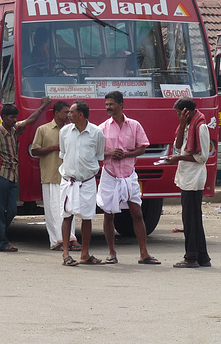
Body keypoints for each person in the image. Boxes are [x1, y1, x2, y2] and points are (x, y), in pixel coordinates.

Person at [0, 96, 51, 252]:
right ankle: (1, 243)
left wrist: (42, 107)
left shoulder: (15, 129)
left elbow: (29, 121)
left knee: (12, 210)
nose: (14, 120)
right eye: (11, 117)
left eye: (15, 117)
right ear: (4, 117)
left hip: (12, 175)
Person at [97, 91, 160, 265]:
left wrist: (126, 155)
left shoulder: (134, 125)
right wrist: (110, 153)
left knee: (137, 213)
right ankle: (111, 253)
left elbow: (142, 148)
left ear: (121, 105)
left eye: (111, 104)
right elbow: (95, 152)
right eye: (106, 104)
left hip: (129, 175)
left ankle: (144, 254)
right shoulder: (102, 128)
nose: (108, 107)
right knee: (108, 215)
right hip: (109, 175)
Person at [163, 97, 211, 268]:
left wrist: (178, 158)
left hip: (194, 178)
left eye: (179, 113)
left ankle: (191, 256)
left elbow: (202, 157)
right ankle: (202, 256)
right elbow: (177, 146)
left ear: (187, 112)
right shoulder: (186, 126)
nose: (178, 116)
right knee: (193, 218)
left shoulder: (201, 127)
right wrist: (182, 125)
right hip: (186, 177)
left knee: (191, 219)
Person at [59, 100, 106, 266]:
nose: (68, 115)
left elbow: (99, 156)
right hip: (68, 180)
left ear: (81, 115)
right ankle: (65, 254)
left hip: (87, 182)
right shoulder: (64, 131)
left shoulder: (97, 132)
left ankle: (84, 254)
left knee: (87, 217)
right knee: (67, 215)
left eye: (71, 112)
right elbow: (63, 154)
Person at [31, 100, 81, 251]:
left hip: (68, 175)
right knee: (53, 209)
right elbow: (34, 151)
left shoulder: (72, 130)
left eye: (70, 112)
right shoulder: (43, 129)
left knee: (69, 208)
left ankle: (71, 238)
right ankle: (56, 241)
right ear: (57, 113)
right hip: (50, 174)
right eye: (66, 112)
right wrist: (54, 148)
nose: (68, 115)